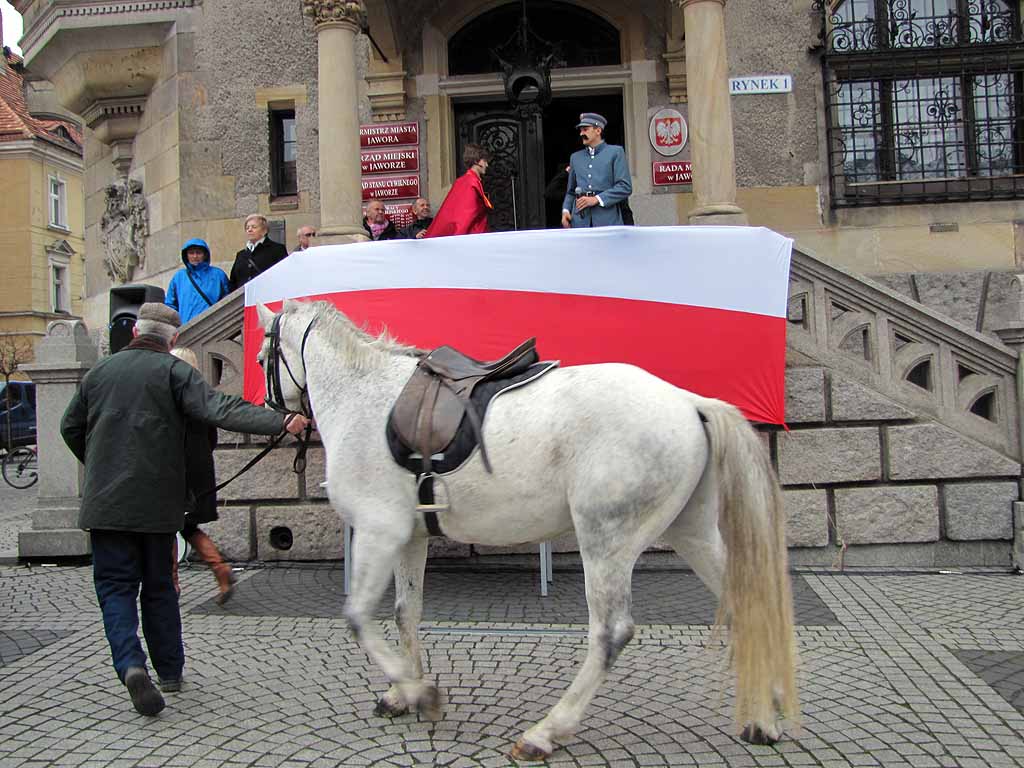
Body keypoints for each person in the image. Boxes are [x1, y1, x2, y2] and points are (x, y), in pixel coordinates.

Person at [61, 303, 310, 717]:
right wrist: (281, 422)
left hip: (106, 505)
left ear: (135, 331)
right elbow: (221, 409)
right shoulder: (175, 372)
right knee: (159, 588)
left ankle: (130, 665)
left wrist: (100, 466)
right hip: (159, 506)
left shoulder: (98, 374)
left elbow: (70, 427)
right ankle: (170, 672)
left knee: (115, 589)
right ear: (173, 339)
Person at [168, 347, 235, 607]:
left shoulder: (173, 398)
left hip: (177, 473)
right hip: (201, 471)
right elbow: (211, 439)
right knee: (187, 526)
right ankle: (220, 569)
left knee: (171, 526)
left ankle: (171, 584)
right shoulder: (204, 397)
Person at [561, 113, 633, 228]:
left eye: (585, 129)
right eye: (580, 130)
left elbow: (625, 187)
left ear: (598, 130)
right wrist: (565, 211)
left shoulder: (615, 152)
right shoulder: (575, 157)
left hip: (608, 220)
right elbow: (571, 192)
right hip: (580, 221)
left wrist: (596, 199)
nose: (581, 134)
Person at [423, 143, 493, 238]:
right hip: (474, 237)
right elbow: (467, 216)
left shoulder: (463, 181)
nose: (487, 165)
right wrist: (458, 239)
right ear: (477, 161)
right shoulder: (471, 182)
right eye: (485, 161)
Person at [164, 239, 230, 325]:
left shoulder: (218, 275)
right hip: (186, 328)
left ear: (205, 255)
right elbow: (170, 305)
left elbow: (227, 300)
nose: (195, 256)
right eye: (191, 253)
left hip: (212, 326)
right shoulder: (179, 277)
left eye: (198, 253)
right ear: (186, 255)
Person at [228, 214, 289, 291]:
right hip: (244, 300)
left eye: (254, 227)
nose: (249, 230)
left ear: (264, 230)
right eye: (247, 228)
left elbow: (284, 275)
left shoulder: (277, 249)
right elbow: (233, 282)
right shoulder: (241, 255)